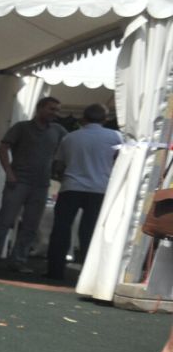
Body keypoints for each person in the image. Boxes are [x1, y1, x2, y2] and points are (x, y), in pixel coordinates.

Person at [46, 104, 123, 281]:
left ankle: (55, 270)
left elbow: (58, 165)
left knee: (61, 229)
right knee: (90, 231)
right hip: (100, 188)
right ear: (105, 119)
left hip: (71, 186)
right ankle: (89, 273)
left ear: (84, 118)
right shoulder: (115, 137)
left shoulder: (70, 137)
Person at [0, 96, 64, 263]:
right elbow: (3, 148)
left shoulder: (57, 130)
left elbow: (67, 148)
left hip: (42, 184)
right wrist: (9, 172)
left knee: (31, 224)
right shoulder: (21, 127)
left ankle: (19, 258)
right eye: (51, 109)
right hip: (18, 181)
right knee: (6, 220)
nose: (55, 113)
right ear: (40, 108)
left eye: (57, 110)